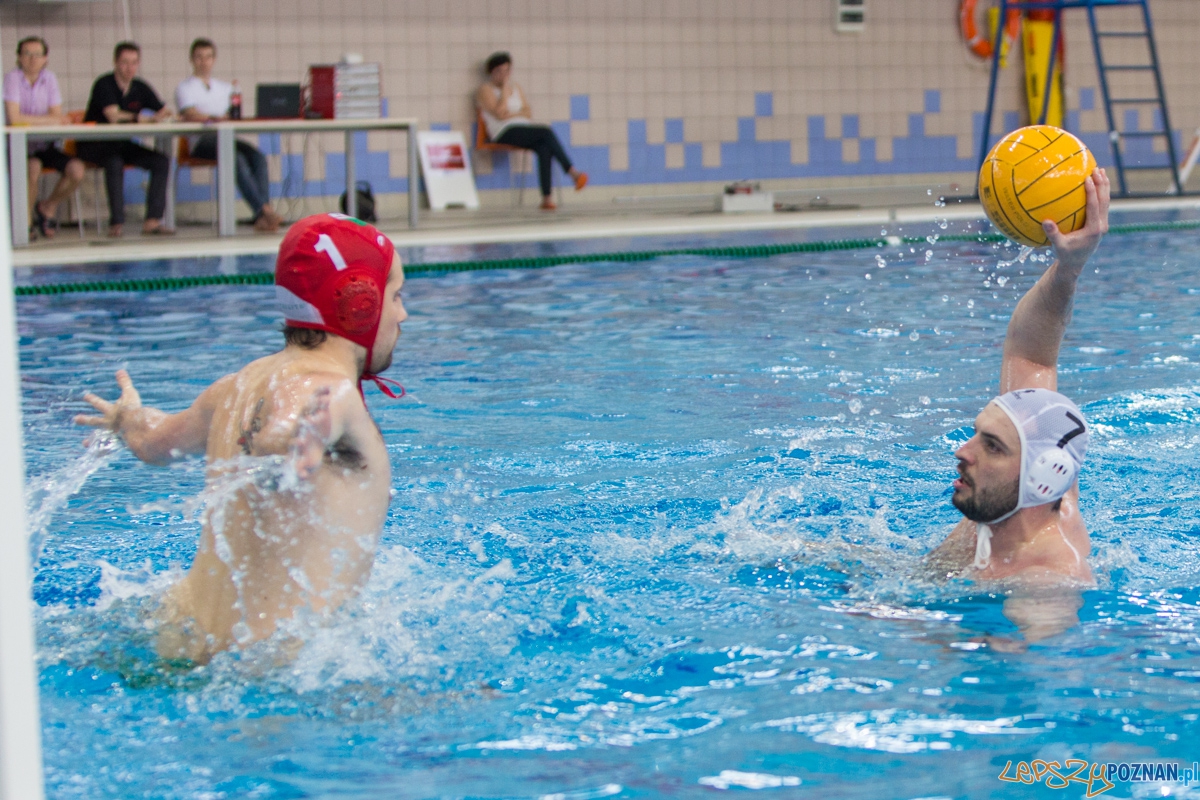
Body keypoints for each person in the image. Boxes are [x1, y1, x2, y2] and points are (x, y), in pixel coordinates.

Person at [75, 214, 408, 663]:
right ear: (359, 301)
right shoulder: (332, 391)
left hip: (177, 641)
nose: (403, 313)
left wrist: (125, 416)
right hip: (270, 673)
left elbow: (151, 443)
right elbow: (300, 414)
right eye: (396, 295)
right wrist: (293, 441)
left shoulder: (230, 388)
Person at [924, 168, 1111, 647]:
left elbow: (1026, 668)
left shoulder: (1045, 581)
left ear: (1040, 475)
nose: (963, 452)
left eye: (991, 446)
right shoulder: (1026, 485)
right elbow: (1029, 352)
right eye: (978, 434)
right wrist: (1069, 268)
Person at [175, 38, 282, 232]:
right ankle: (265, 210)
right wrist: (214, 117)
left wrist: (220, 117)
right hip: (201, 142)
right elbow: (189, 113)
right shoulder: (185, 87)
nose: (204, 62)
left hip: (225, 138)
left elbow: (233, 114)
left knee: (257, 157)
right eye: (199, 57)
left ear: (214, 60)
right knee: (236, 159)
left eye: (208, 57)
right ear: (192, 60)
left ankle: (262, 216)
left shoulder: (224, 88)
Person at [77, 41, 173, 238]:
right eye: (124, 63)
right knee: (114, 162)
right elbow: (113, 115)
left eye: (134, 63)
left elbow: (163, 110)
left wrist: (164, 116)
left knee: (161, 161)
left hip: (120, 143)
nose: (129, 68)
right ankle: (117, 222)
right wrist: (140, 118)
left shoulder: (139, 87)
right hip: (94, 144)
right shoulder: (104, 84)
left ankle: (153, 221)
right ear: (115, 62)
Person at [475, 51, 587, 211]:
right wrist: (505, 92)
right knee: (545, 132)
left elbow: (528, 112)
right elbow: (499, 114)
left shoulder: (517, 88)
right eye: (499, 72)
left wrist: (512, 113)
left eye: (507, 71)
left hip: (523, 129)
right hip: (503, 132)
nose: (504, 75)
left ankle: (547, 199)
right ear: (491, 72)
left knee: (544, 147)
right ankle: (572, 172)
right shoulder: (485, 90)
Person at [3, 35, 85, 239]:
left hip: (44, 144)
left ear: (45, 58)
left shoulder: (49, 79)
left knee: (77, 170)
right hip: (18, 146)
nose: (32, 59)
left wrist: (40, 120)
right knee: (33, 168)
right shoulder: (12, 79)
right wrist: (48, 120)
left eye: (37, 55)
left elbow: (59, 117)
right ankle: (26, 223)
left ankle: (47, 207)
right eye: (27, 54)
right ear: (19, 58)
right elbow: (14, 119)